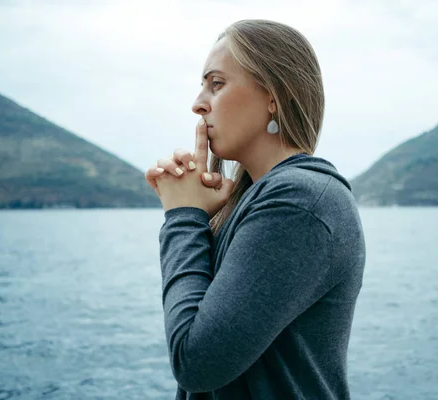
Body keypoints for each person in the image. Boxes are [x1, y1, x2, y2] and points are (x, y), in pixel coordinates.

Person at [145, 19, 366, 400]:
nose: (198, 103)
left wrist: (184, 216)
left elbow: (196, 363)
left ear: (274, 96)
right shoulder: (263, 199)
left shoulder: (299, 202)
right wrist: (199, 213)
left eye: (217, 84)